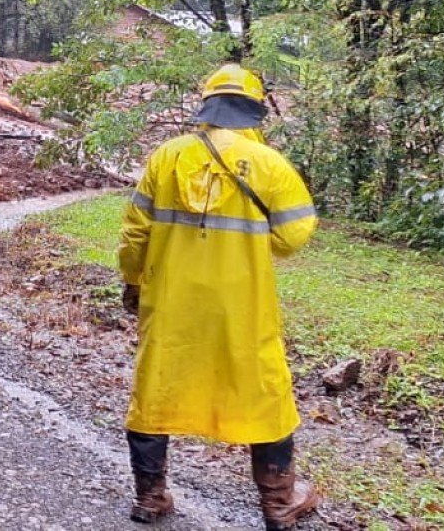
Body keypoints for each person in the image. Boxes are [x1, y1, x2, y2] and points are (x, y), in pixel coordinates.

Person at [118, 64, 323, 529]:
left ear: (206, 107)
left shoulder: (166, 156)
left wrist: (133, 281)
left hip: (171, 303)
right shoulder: (270, 164)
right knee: (265, 394)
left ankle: (150, 498)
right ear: (253, 110)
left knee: (156, 388)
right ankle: (277, 505)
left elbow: (135, 233)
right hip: (243, 307)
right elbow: (294, 236)